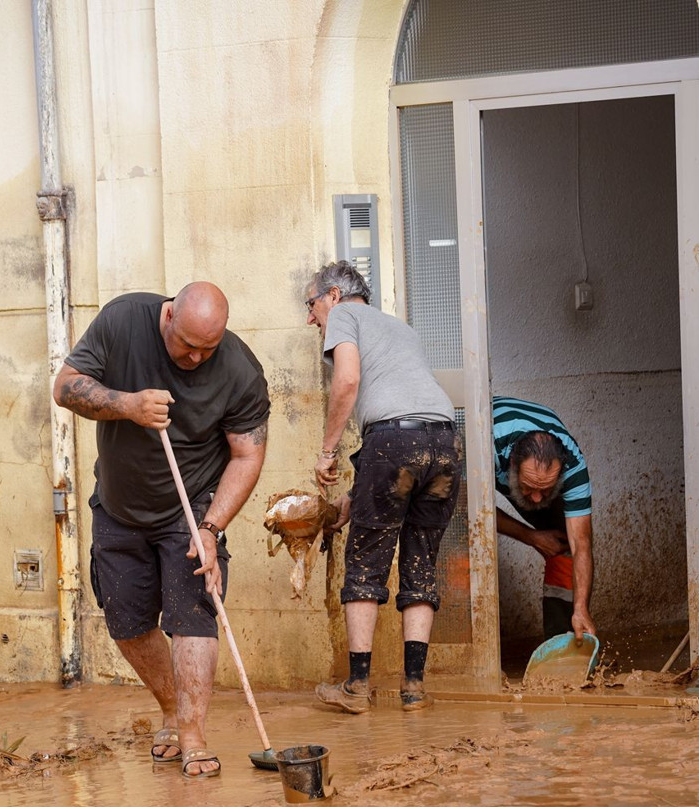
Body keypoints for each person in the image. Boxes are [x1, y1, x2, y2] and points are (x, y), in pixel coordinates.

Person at [53, 283, 269, 777]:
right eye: (186, 344)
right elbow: (65, 386)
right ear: (168, 314)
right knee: (126, 621)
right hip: (119, 505)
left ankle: (193, 732)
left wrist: (212, 528)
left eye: (207, 349)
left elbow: (247, 453)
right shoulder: (123, 320)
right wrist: (127, 405)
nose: (195, 357)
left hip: (190, 508)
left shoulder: (239, 370)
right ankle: (171, 708)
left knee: (192, 613)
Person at [306, 260, 461, 714]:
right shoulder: (401, 330)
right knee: (420, 558)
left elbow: (349, 381)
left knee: (366, 561)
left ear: (334, 295)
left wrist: (328, 451)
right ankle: (413, 687)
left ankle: (357, 686)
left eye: (311, 304)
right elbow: (407, 452)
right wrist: (355, 499)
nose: (311, 316)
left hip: (394, 441)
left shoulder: (344, 317)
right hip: (444, 444)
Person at [493, 396, 596, 642]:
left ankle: (563, 640)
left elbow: (581, 545)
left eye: (547, 488)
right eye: (529, 487)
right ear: (512, 467)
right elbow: (468, 510)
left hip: (538, 457)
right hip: (478, 447)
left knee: (565, 545)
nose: (538, 499)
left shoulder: (573, 467)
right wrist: (531, 537)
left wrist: (581, 608)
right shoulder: (490, 446)